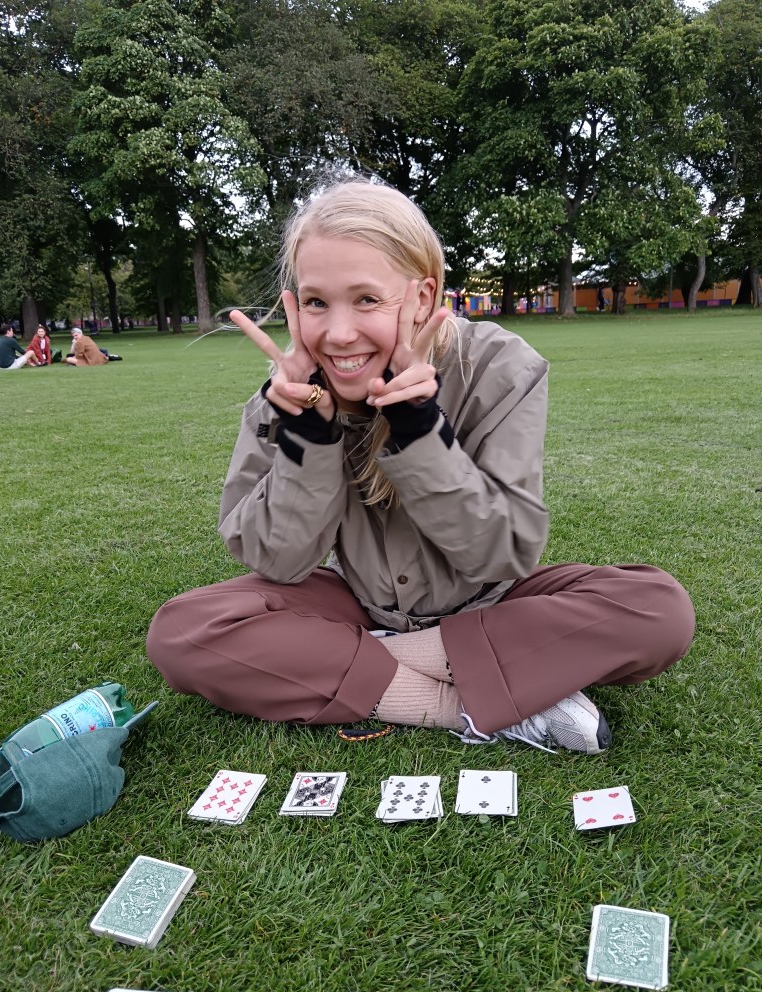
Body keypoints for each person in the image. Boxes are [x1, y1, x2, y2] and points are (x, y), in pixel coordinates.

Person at [146, 178, 695, 755]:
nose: (337, 334)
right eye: (316, 302)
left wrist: (416, 427)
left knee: (657, 610)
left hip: (494, 600)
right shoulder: (282, 400)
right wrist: (310, 435)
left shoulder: (501, 368)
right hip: (358, 604)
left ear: (423, 298)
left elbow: (500, 554)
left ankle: (363, 666)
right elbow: (278, 562)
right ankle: (471, 706)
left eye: (366, 299)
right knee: (184, 632)